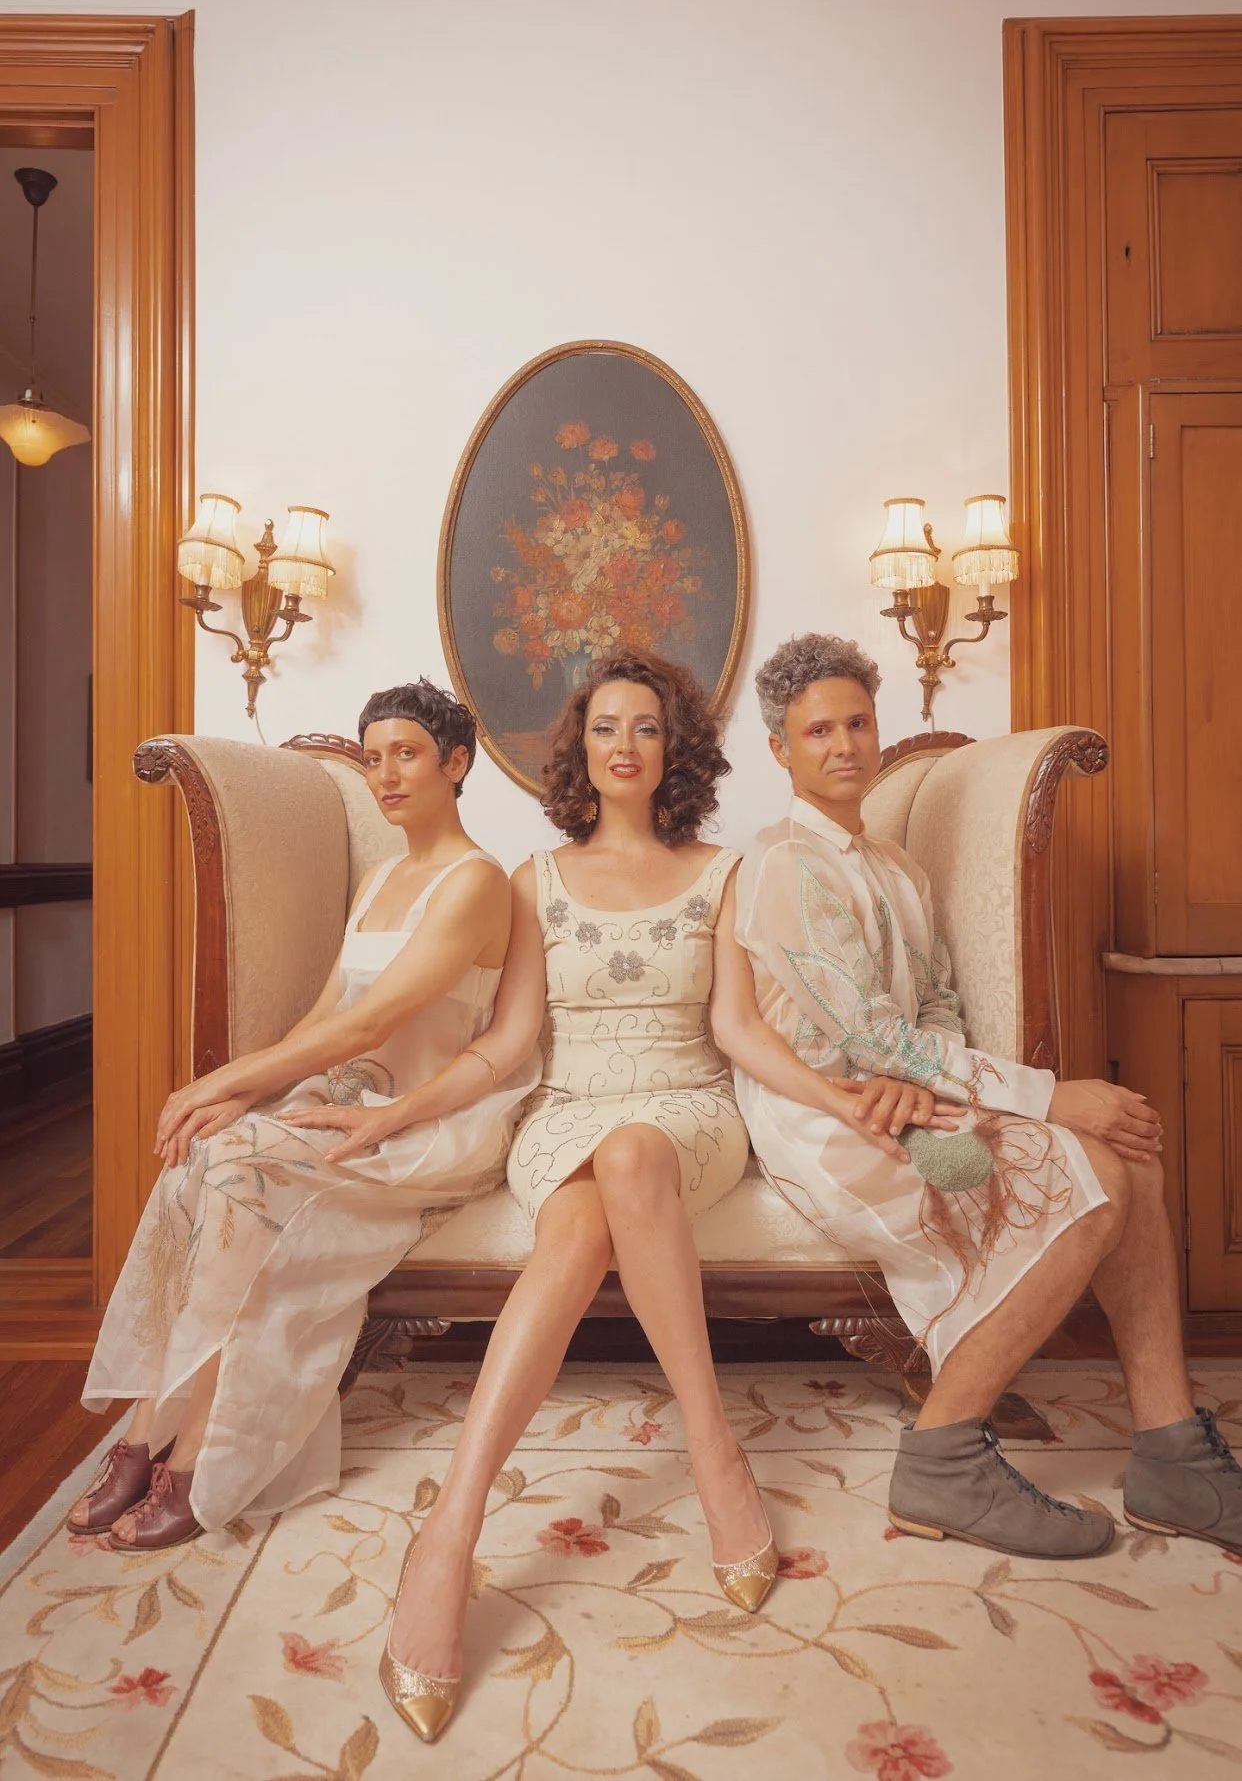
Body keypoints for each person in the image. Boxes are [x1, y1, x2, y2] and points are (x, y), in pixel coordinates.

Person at [289, 648, 957, 1744]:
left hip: (687, 1113)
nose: (625, 745)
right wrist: (392, 1113)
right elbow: (508, 1043)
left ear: (674, 746)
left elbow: (737, 1030)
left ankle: (693, 1452)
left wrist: (842, 1096)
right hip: (564, 1115)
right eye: (606, 727)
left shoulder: (724, 871)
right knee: (584, 1210)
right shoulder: (532, 880)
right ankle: (463, 1525)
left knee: (636, 1157)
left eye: (646, 726)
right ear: (581, 749)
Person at [734, 631, 1242, 1560]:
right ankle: (944, 1453)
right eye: (818, 731)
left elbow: (934, 1004)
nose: (844, 744)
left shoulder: (896, 866)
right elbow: (863, 1038)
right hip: (829, 1117)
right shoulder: (783, 866)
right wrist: (1044, 1098)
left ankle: (1172, 1451)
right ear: (781, 750)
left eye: (857, 723)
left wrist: (936, 1084)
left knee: (1129, 1156)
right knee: (1096, 1174)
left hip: (908, 1092)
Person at [70, 680, 535, 1552]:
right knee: (207, 1155)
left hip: (424, 1120)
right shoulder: (383, 877)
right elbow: (325, 1015)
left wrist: (219, 1079)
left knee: (238, 1166)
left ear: (455, 763)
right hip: (344, 1098)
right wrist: (245, 1094)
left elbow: (370, 1025)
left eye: (407, 754)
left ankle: (200, 1454)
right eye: (374, 756)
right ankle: (143, 1430)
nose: (385, 773)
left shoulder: (478, 883)